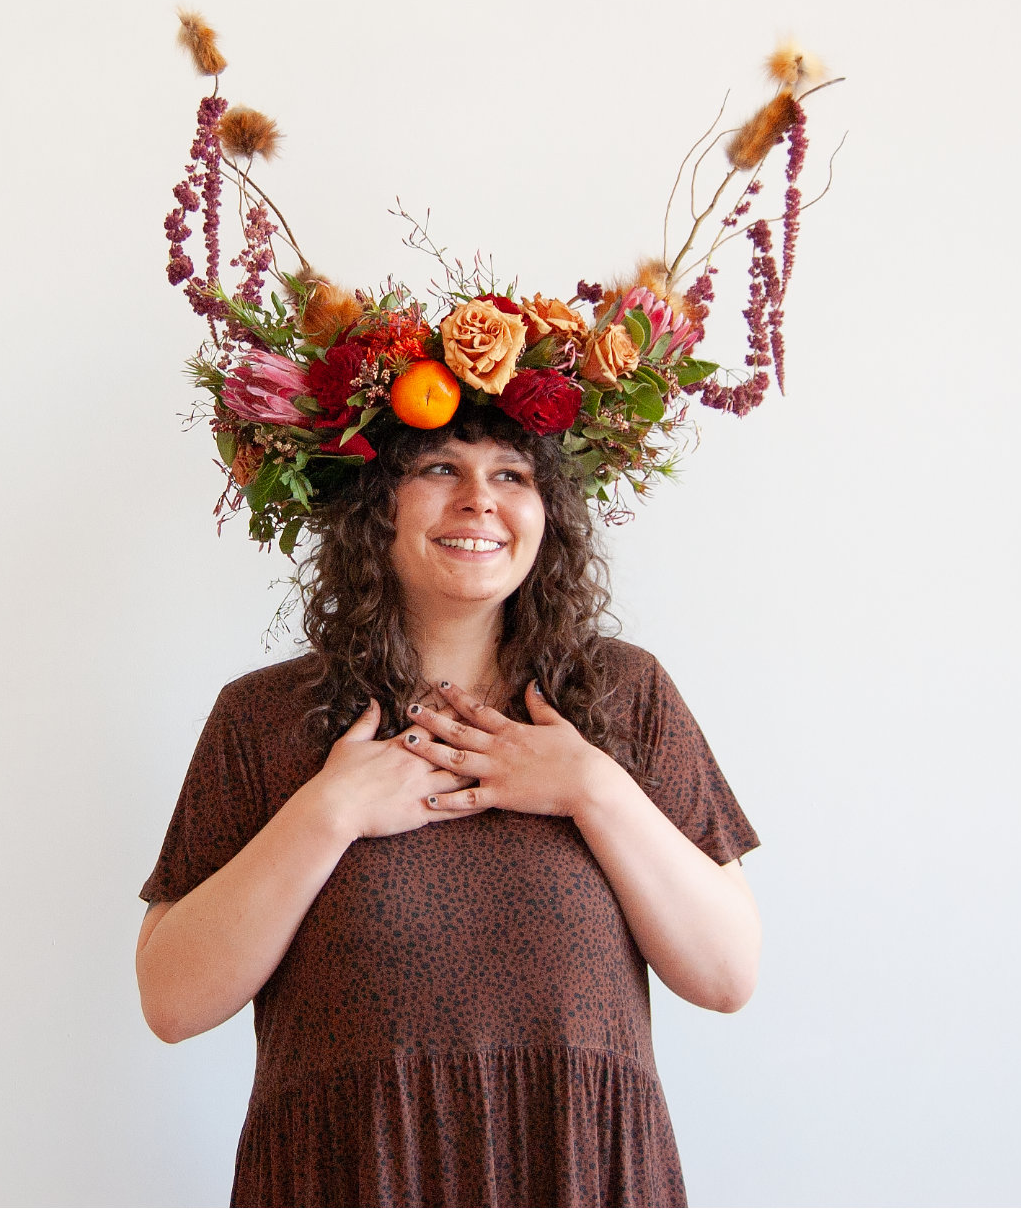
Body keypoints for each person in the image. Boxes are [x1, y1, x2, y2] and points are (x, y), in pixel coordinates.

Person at [135, 402, 764, 1207]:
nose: (480, 500)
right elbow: (172, 1000)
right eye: (440, 469)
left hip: (579, 1172)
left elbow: (727, 973)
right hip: (351, 1176)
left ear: (549, 513)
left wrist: (592, 788)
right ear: (374, 507)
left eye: (512, 474)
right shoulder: (265, 718)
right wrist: (328, 812)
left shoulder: (624, 694)